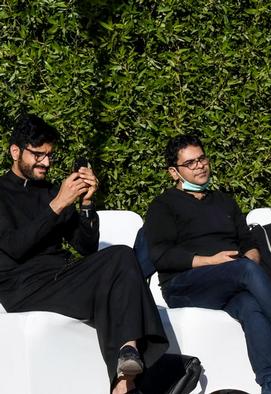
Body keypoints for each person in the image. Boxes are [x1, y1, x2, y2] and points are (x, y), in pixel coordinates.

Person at [143, 134, 271, 394]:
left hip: (227, 281)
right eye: (191, 163)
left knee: (251, 306)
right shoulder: (163, 206)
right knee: (244, 270)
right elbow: (160, 255)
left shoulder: (224, 201)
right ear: (174, 172)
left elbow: (248, 240)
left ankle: (270, 382)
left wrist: (251, 255)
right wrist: (211, 261)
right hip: (184, 284)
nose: (200, 166)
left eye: (202, 158)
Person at [0, 114, 168, 394]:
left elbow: (86, 247)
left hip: (60, 277)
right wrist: (56, 205)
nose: (45, 162)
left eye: (50, 155)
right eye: (38, 155)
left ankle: (126, 366)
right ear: (15, 151)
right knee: (118, 266)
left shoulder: (51, 190)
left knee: (122, 256)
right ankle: (129, 378)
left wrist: (87, 203)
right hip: (23, 286)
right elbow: (14, 247)